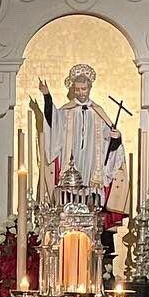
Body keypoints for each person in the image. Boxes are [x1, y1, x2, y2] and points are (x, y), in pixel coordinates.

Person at [40, 63, 129, 226]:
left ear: (90, 88)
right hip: (71, 168)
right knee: (69, 199)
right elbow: (52, 120)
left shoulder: (98, 111)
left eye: (84, 89)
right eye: (78, 89)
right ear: (73, 89)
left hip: (92, 170)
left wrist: (116, 138)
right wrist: (47, 96)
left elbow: (109, 142)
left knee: (92, 199)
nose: (81, 93)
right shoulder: (66, 111)